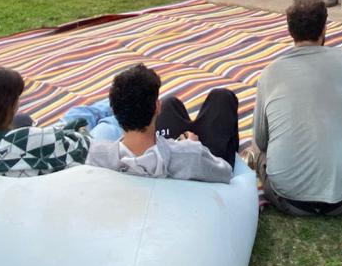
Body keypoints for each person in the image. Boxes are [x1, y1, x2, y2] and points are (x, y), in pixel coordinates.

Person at [251, 0, 342, 216]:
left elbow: (262, 140)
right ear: (324, 29)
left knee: (258, 145)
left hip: (286, 198)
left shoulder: (270, 72)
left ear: (290, 31)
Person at [84, 64, 237, 182]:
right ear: (157, 107)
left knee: (171, 103)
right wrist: (193, 145)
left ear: (115, 112)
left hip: (167, 148)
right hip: (193, 159)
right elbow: (225, 172)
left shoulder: (96, 155)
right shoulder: (191, 155)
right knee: (222, 98)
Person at [0, 67, 88, 177]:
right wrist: (80, 131)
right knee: (88, 115)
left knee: (24, 119)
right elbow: (83, 148)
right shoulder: (24, 140)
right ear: (8, 104)